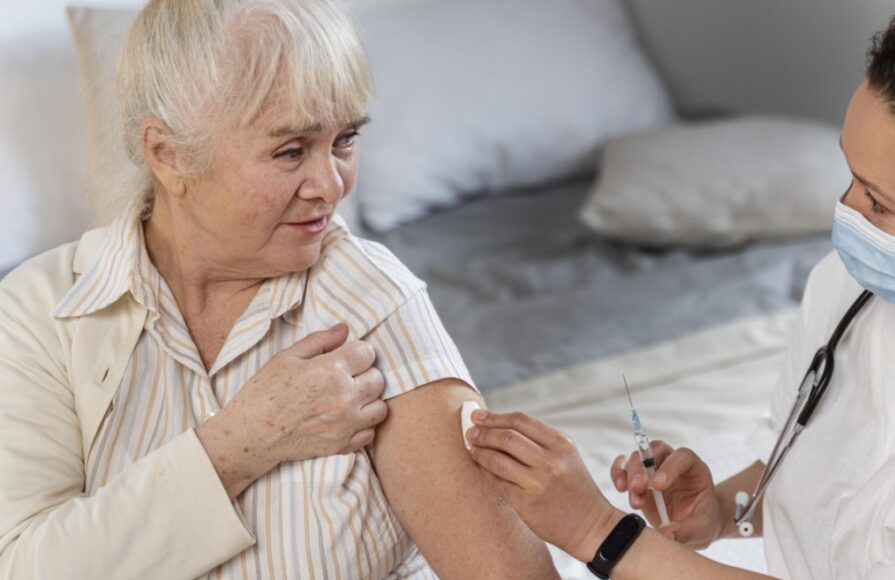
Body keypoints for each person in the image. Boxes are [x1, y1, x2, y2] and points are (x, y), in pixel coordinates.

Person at [466, 2, 895, 578]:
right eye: (851, 176)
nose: (845, 211)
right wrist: (725, 507)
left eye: (878, 201)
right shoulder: (852, 287)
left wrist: (595, 532)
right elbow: (832, 474)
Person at [0, 0, 558, 578]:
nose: (329, 184)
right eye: (290, 151)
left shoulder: (369, 298)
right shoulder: (42, 313)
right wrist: (244, 441)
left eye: (344, 140)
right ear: (167, 156)